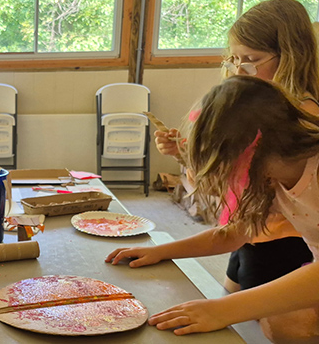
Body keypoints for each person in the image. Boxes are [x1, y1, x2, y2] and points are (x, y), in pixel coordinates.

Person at [144, 0, 317, 293]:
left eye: (250, 60)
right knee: (235, 310)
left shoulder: (300, 123)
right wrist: (186, 154)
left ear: (289, 56)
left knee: (270, 325)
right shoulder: (258, 119)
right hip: (250, 233)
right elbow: (232, 224)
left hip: (280, 241)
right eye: (233, 60)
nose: (238, 70)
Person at [130, 75, 319, 340]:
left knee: (287, 323)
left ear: (250, 151)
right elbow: (234, 234)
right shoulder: (271, 178)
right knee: (279, 322)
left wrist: (222, 310)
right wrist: (160, 251)